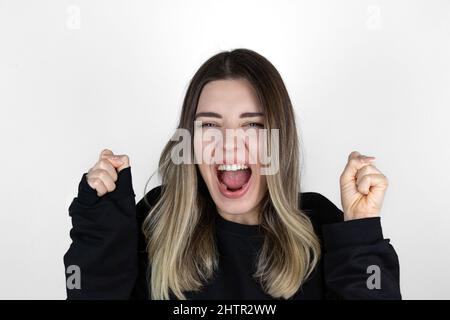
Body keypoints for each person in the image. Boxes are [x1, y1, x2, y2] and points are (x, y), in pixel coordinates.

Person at [64, 48, 401, 300]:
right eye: (209, 125)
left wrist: (359, 231)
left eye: (252, 125)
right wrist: (100, 226)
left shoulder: (322, 225)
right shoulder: (155, 222)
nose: (228, 145)